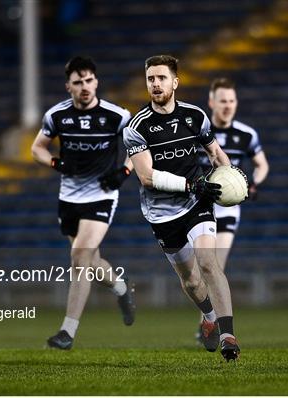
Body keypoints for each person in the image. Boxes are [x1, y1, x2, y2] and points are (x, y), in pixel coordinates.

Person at [123, 55, 240, 361]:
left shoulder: (195, 116)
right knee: (190, 279)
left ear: (175, 82)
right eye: (150, 79)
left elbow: (215, 153)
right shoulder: (136, 127)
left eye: (161, 78)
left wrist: (229, 181)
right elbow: (147, 177)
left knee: (207, 263)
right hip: (161, 213)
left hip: (196, 203)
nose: (155, 84)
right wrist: (191, 185)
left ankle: (228, 335)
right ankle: (210, 315)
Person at [31, 56, 135, 349]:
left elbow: (138, 147)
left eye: (89, 80)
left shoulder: (117, 116)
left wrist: (124, 171)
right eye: (78, 82)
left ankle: (67, 332)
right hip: (69, 198)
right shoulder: (57, 116)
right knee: (89, 261)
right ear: (68, 87)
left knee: (79, 259)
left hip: (101, 195)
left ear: (96, 82)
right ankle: (122, 288)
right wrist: (56, 163)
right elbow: (36, 148)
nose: (84, 86)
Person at [195, 77, 269, 341]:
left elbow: (262, 164)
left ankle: (208, 324)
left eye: (231, 101)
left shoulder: (246, 134)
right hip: (198, 205)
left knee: (215, 264)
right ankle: (207, 319)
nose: (227, 106)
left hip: (227, 209)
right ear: (211, 102)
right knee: (197, 270)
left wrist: (255, 184)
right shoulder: (199, 131)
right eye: (222, 101)